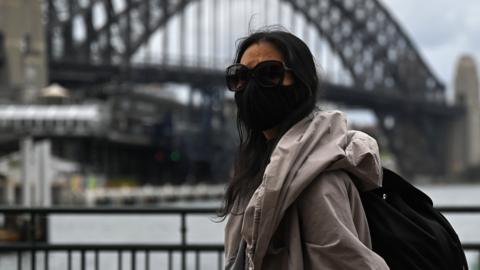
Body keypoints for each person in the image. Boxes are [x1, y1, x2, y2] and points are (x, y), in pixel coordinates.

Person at [219, 28, 390, 270]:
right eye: (240, 76)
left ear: (301, 82)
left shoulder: (318, 180)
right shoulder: (257, 173)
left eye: (269, 73)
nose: (252, 86)